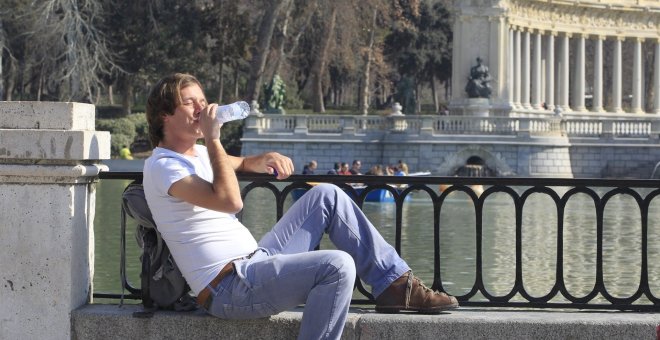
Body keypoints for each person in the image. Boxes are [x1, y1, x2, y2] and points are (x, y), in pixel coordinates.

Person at [142, 73, 458, 340]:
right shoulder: (164, 165)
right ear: (164, 116)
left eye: (202, 99)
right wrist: (213, 139)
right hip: (228, 288)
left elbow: (234, 163)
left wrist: (260, 160)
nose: (203, 107)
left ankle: (394, 285)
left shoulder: (195, 155)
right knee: (337, 267)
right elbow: (230, 201)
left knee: (329, 196)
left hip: (255, 264)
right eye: (190, 102)